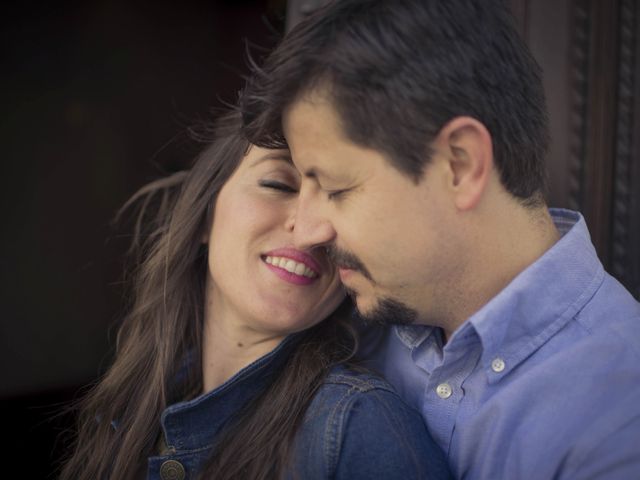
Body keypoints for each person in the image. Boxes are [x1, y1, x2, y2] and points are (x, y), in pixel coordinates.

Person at [239, 0, 640, 479]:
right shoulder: (345, 321)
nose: (305, 231)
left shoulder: (619, 418)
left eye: (336, 188)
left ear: (461, 163)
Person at [58, 111, 452, 480]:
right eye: (278, 184)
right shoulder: (130, 407)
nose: (309, 229)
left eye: (337, 203)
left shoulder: (360, 425)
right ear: (204, 213)